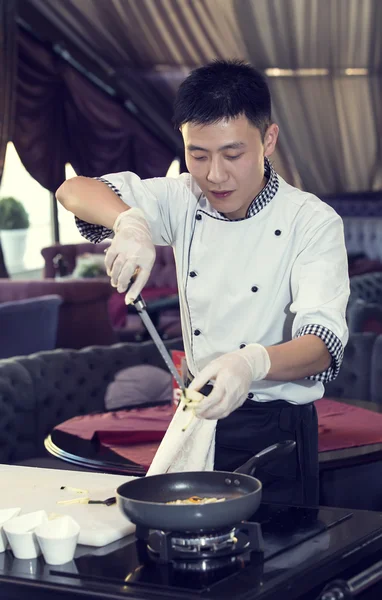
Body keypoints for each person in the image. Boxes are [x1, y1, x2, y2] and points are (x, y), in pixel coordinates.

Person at [57, 59, 349, 507]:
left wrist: (250, 364)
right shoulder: (181, 197)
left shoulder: (310, 221)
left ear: (268, 139)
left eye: (232, 154)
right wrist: (130, 222)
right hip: (196, 417)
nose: (214, 174)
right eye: (198, 154)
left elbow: (324, 344)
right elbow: (73, 190)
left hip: (276, 430)